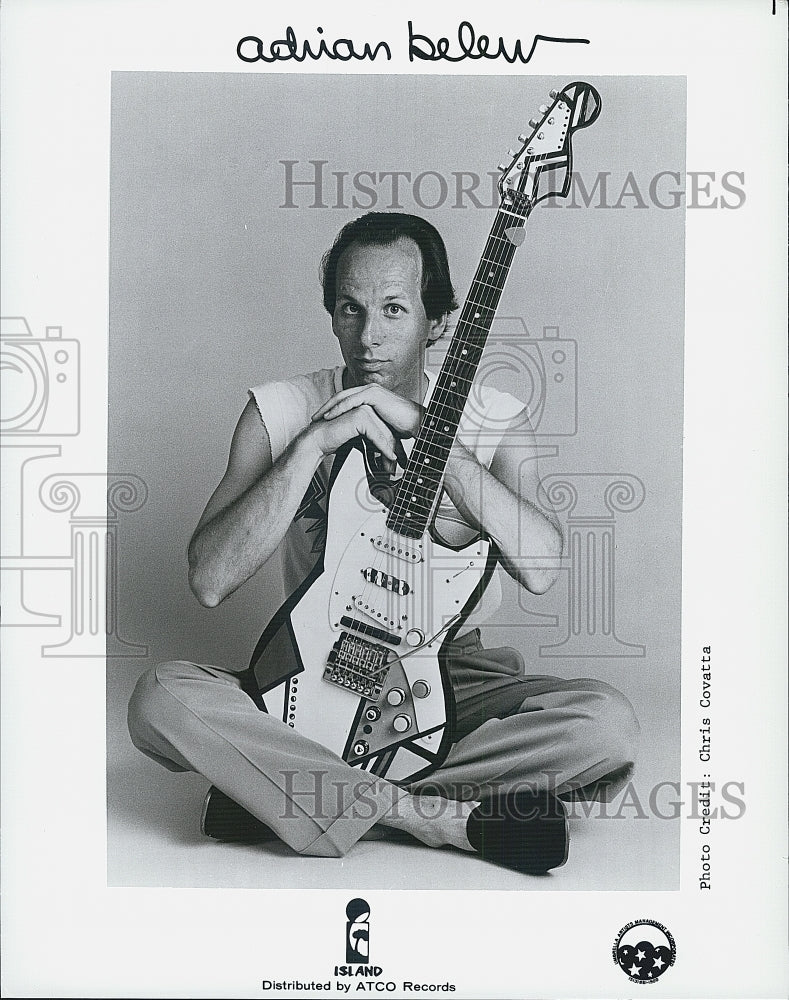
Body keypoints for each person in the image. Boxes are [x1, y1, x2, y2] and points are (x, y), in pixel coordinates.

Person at [127, 212, 639, 874]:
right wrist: (312, 443)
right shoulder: (278, 409)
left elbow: (541, 567)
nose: (368, 336)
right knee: (159, 698)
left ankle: (289, 792)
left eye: (394, 310)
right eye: (351, 309)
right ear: (332, 315)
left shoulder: (495, 420)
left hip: (450, 672)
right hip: (307, 669)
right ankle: (438, 819)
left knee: (603, 725)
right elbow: (209, 579)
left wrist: (439, 446)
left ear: (439, 322)